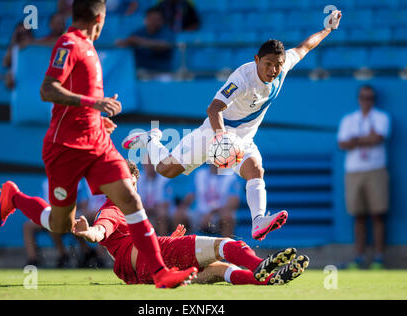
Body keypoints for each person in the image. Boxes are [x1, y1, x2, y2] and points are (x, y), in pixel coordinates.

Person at [0, 0, 197, 289]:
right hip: (65, 147)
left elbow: (76, 104)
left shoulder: (90, 47)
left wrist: (97, 119)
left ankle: (160, 273)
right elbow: (47, 89)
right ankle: (14, 197)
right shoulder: (68, 44)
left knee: (129, 197)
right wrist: (95, 103)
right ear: (99, 19)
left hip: (97, 143)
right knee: (62, 224)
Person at [122, 10, 343, 241]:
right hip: (214, 132)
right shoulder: (242, 77)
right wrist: (221, 138)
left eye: (277, 65)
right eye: (268, 64)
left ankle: (258, 221)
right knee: (165, 170)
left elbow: (305, 47)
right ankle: (151, 140)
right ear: (257, 60)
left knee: (256, 170)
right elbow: (214, 109)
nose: (273, 70)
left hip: (244, 139)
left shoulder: (283, 66)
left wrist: (327, 29)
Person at [72, 160, 310, 286]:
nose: (132, 189)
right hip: (151, 261)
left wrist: (168, 242)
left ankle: (268, 280)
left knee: (219, 270)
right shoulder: (113, 209)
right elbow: (101, 230)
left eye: (134, 184)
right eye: (126, 184)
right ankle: (260, 266)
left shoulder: (127, 209)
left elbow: (122, 241)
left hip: (146, 272)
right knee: (224, 245)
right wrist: (88, 232)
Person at [337, 85, 390, 269]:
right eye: (363, 97)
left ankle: (379, 257)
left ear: (373, 99)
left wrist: (355, 140)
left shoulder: (382, 117)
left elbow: (378, 139)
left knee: (378, 215)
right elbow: (343, 143)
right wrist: (365, 138)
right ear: (359, 99)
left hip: (376, 169)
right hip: (354, 171)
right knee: (358, 216)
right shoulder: (349, 119)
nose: (366, 100)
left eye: (370, 98)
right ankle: (359, 257)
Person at [23, 178, 105, 268]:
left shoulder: (76, 181)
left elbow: (82, 204)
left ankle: (92, 255)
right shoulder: (46, 183)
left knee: (70, 221)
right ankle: (35, 260)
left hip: (73, 214)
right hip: (52, 215)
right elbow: (41, 202)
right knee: (32, 225)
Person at [115, 7, 174, 75]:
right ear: (146, 19)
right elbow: (119, 43)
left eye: (157, 19)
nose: (154, 22)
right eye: (151, 19)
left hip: (162, 72)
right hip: (140, 71)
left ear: (162, 21)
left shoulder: (167, 32)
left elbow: (164, 45)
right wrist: (127, 41)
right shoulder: (140, 32)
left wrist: (139, 41)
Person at [137, 161, 171, 236]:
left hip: (159, 210)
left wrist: (152, 207)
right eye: (147, 164)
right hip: (145, 209)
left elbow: (166, 203)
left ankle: (164, 242)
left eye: (151, 164)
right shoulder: (138, 179)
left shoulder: (164, 179)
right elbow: (135, 201)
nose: (149, 166)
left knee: (162, 213)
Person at [3, 22, 35, 89]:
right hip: (17, 86)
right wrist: (13, 41)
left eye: (26, 33)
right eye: (19, 34)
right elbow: (5, 63)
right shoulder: (14, 49)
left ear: (30, 34)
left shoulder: (38, 49)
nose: (23, 37)